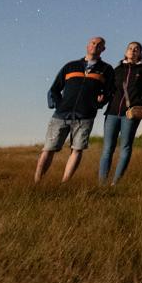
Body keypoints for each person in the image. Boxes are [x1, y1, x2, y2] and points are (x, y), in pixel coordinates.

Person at [35, 35, 113, 183]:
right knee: (48, 149)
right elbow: (54, 89)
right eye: (93, 43)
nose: (95, 46)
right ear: (87, 46)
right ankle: (37, 182)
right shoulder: (71, 66)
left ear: (103, 49)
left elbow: (109, 91)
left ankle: (65, 183)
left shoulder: (106, 69)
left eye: (99, 45)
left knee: (77, 149)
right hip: (61, 115)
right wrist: (59, 105)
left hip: (85, 116)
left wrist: (100, 102)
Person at [98, 41, 142, 186]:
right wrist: (102, 99)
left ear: (140, 53)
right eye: (130, 48)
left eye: (136, 49)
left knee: (125, 147)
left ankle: (116, 183)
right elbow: (109, 90)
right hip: (112, 112)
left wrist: (138, 101)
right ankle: (102, 184)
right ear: (126, 51)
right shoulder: (117, 69)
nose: (133, 51)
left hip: (131, 114)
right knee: (107, 148)